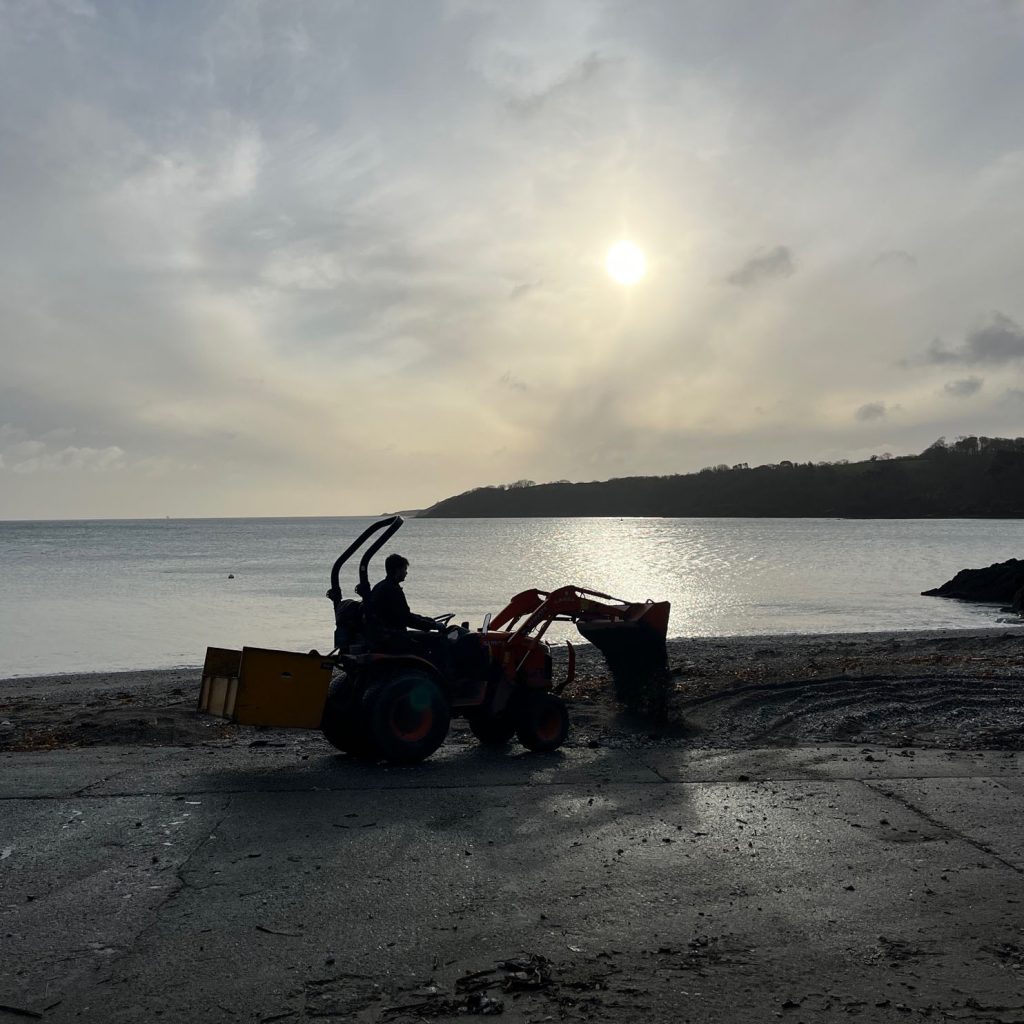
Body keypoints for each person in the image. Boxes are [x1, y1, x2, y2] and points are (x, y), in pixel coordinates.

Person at [368, 553, 442, 639]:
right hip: (394, 636)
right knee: (438, 639)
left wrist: (429, 620)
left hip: (386, 634)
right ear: (397, 570)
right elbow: (407, 619)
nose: (406, 573)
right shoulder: (393, 590)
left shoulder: (380, 586)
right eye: (404, 569)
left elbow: (404, 614)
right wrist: (433, 626)